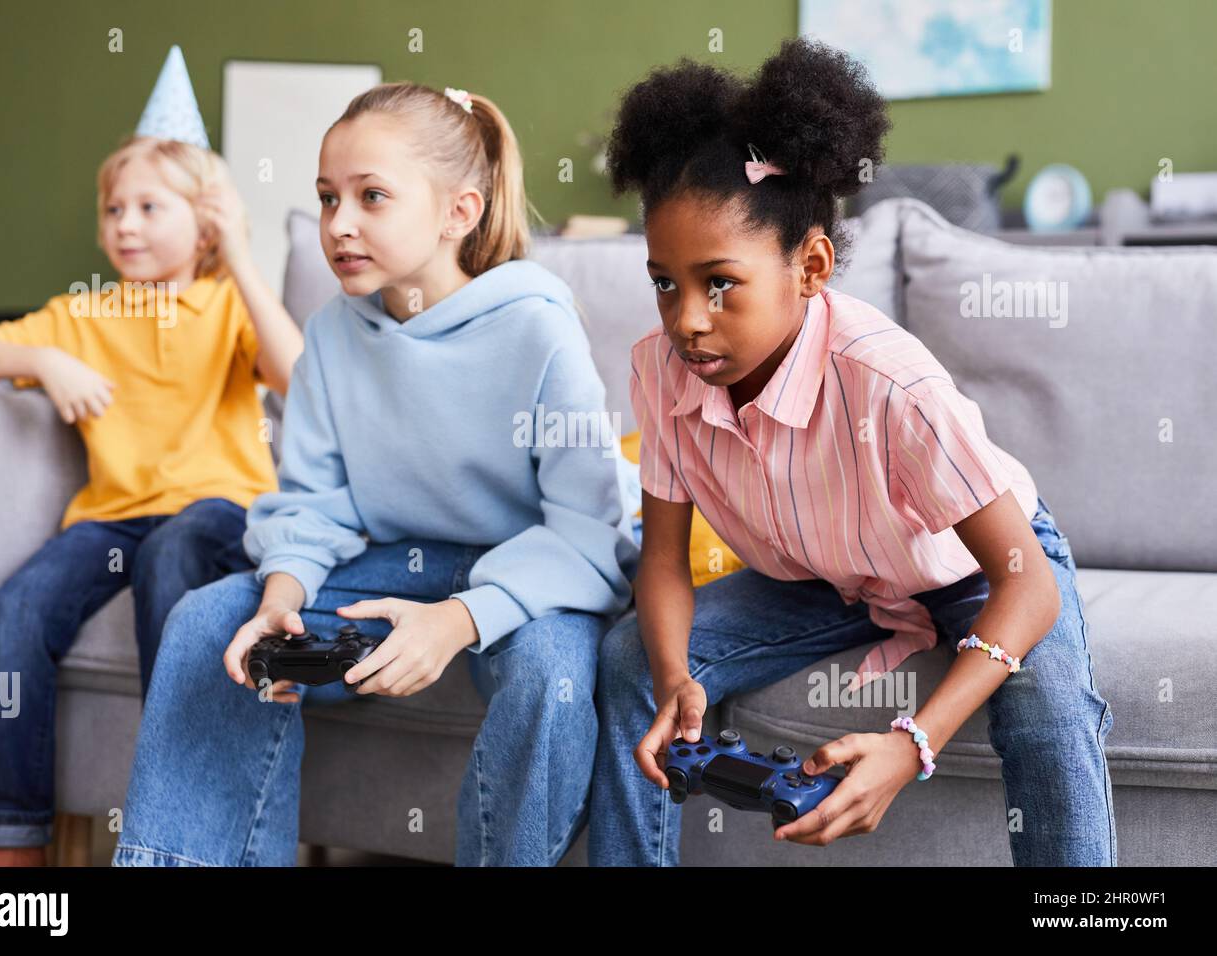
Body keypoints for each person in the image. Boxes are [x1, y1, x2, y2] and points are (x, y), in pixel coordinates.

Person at [587, 38, 1116, 867]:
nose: (687, 317)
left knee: (1045, 706)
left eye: (719, 282)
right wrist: (672, 675)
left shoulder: (887, 382)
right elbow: (662, 560)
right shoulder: (660, 370)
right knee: (625, 653)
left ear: (811, 267)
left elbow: (1028, 582)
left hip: (967, 570)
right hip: (825, 580)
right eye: (666, 282)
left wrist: (912, 743)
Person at [112, 83, 637, 867]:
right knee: (203, 622)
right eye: (327, 199)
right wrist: (281, 599)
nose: (339, 224)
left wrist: (459, 619)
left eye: (372, 197)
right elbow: (313, 505)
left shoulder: (537, 328)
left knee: (554, 676)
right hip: (392, 559)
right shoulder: (330, 334)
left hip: (530, 569)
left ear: (459, 212)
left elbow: (587, 533)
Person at [0, 134, 304, 865]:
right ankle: (12, 846)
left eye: (147, 208)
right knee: (9, 614)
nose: (124, 225)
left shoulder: (226, 303)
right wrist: (38, 357)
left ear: (202, 226)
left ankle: (176, 825)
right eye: (113, 209)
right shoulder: (83, 317)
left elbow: (299, 377)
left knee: (172, 553)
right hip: (113, 518)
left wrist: (237, 258)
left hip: (220, 511)